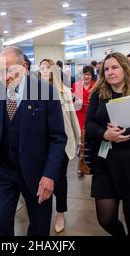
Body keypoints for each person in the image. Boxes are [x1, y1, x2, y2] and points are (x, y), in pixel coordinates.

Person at [0, 46, 67, 236]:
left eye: (9, 70)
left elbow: (58, 138)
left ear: (24, 66)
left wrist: (49, 175)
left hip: (37, 174)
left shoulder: (45, 92)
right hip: (5, 171)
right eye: (0, 70)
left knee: (39, 227)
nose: (4, 76)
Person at [85, 52, 130, 236]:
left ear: (125, 68)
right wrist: (106, 134)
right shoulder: (99, 94)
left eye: (115, 67)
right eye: (106, 69)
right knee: (106, 219)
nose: (110, 72)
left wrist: (124, 132)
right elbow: (90, 124)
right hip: (106, 162)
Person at [39, 59, 81, 234]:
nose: (44, 71)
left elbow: (72, 119)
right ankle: (43, 212)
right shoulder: (35, 94)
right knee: (43, 178)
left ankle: (60, 213)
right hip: (41, 145)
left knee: (60, 179)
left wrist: (79, 140)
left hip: (62, 143)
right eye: (41, 68)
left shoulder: (65, 92)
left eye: (47, 68)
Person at [72, 65, 95, 177]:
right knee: (81, 143)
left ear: (91, 75)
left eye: (88, 74)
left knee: (89, 142)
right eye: (84, 74)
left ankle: (88, 164)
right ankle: (81, 165)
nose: (86, 76)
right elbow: (71, 103)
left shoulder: (95, 86)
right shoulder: (76, 85)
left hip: (91, 117)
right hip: (79, 116)